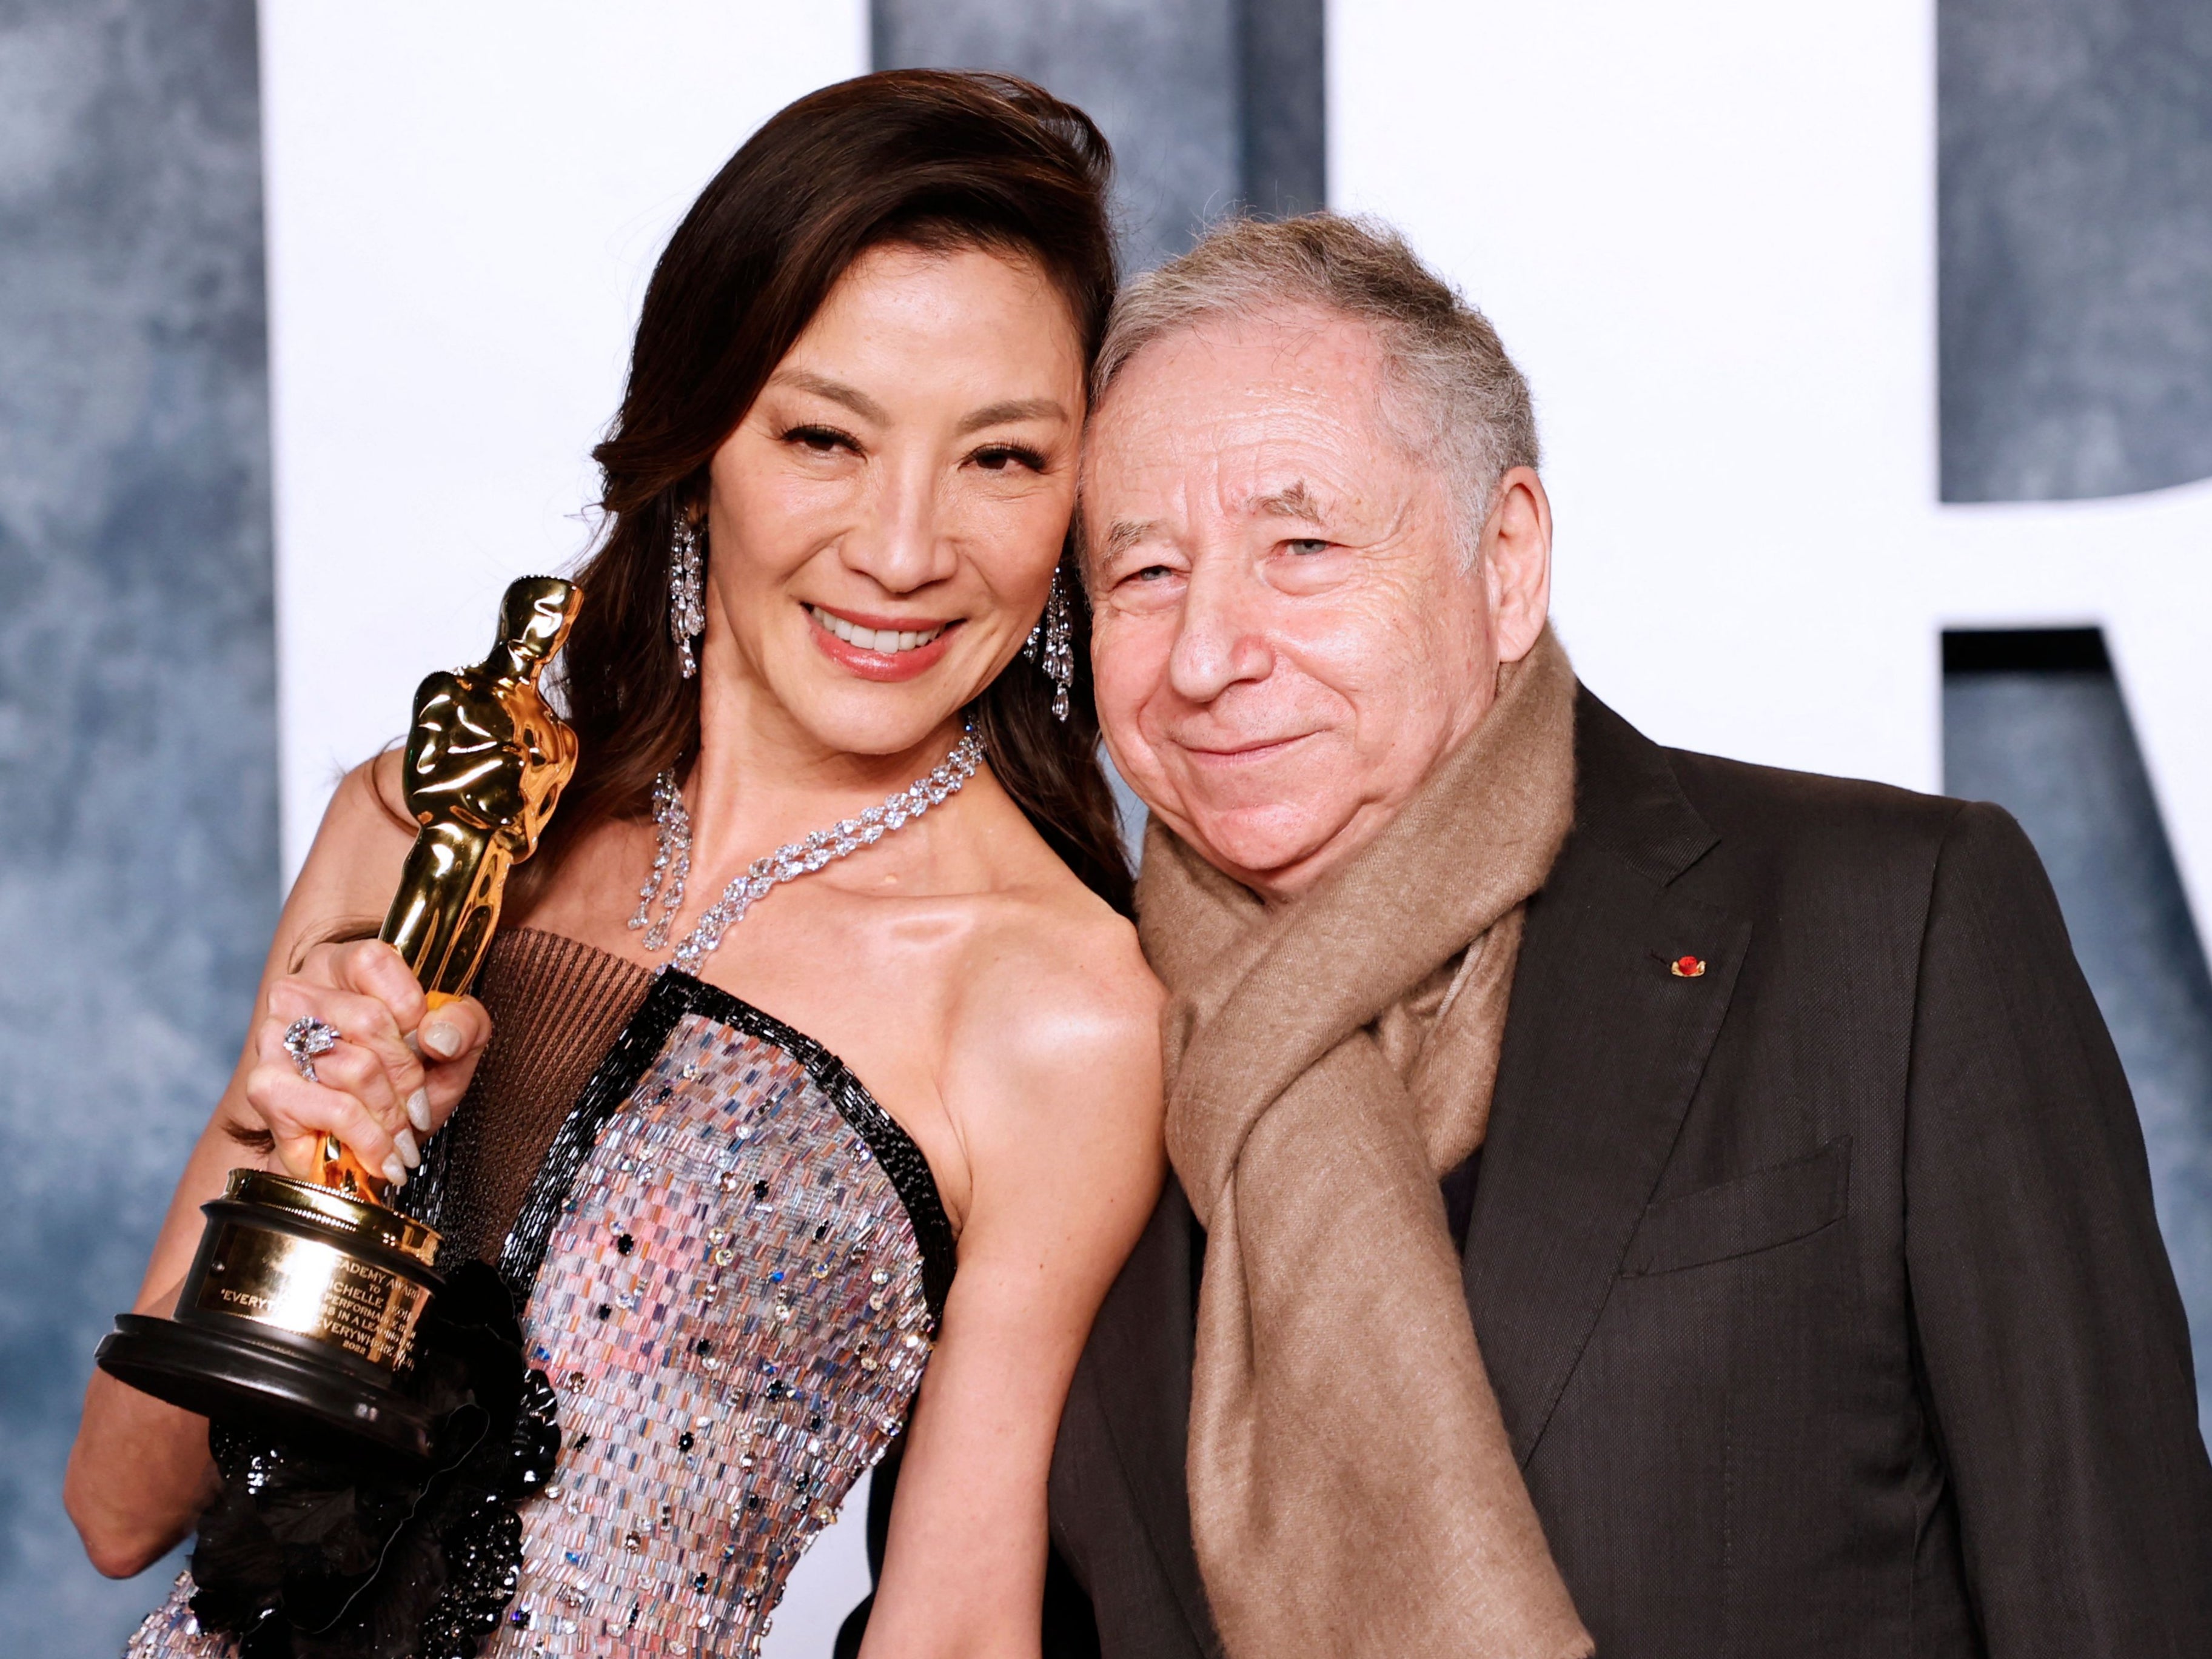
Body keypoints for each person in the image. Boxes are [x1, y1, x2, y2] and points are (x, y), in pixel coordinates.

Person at [65, 70, 1164, 1659]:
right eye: (823, 437)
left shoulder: (1061, 1005)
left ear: (1074, 489)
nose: (909, 547)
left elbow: (960, 1625)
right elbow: (121, 1507)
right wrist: (293, 1145)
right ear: (701, 431)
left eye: (1001, 458)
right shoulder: (428, 828)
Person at [1045, 212, 2212, 1657]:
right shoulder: (1051, 1041)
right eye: (1143, 575)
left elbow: (2112, 1600)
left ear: (1509, 559)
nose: (1211, 656)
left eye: (1302, 545)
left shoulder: (1892, 925)